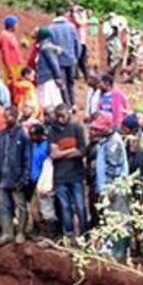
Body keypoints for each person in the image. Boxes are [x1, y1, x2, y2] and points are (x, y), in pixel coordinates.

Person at [90, 114, 131, 261]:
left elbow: (114, 170)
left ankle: (119, 252)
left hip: (115, 188)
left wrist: (108, 190)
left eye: (98, 129)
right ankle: (110, 247)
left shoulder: (113, 143)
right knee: (109, 218)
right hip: (107, 187)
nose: (96, 131)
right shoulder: (105, 141)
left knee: (119, 218)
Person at [47, 104, 88, 243]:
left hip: (76, 175)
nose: (60, 119)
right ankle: (69, 235)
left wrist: (62, 152)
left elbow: (82, 151)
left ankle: (84, 236)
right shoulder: (52, 131)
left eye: (63, 116)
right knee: (65, 207)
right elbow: (54, 154)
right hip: (60, 177)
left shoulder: (77, 128)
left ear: (69, 114)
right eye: (58, 116)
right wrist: (71, 151)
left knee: (81, 206)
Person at [0, 105, 32, 246]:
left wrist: (24, 177)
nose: (6, 118)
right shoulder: (1, 134)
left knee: (20, 206)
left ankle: (21, 232)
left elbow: (27, 158)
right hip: (3, 177)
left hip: (17, 177)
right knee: (4, 206)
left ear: (15, 117)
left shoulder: (23, 134)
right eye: (5, 116)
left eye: (9, 116)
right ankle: (7, 233)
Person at [49, 10, 81, 107]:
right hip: (71, 59)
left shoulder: (51, 28)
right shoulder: (71, 27)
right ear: (64, 15)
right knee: (71, 83)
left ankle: (67, 105)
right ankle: (73, 103)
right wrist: (76, 57)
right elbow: (77, 43)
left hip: (58, 61)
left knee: (62, 84)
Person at [33, 27, 65, 111]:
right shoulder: (45, 46)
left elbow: (53, 63)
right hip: (46, 77)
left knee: (49, 101)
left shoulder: (46, 48)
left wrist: (58, 77)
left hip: (47, 77)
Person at [0, 15, 24, 89]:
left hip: (16, 65)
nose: (17, 26)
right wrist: (9, 69)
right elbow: (5, 54)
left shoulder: (11, 35)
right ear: (12, 26)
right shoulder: (5, 36)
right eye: (16, 24)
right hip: (12, 67)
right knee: (11, 86)